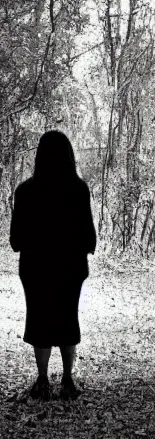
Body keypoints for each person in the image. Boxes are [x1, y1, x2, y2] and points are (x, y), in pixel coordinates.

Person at [9, 130, 97, 400]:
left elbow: (15, 241)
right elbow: (88, 236)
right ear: (69, 156)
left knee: (39, 319)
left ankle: (43, 380)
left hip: (35, 268)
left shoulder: (25, 191)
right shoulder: (79, 189)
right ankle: (68, 381)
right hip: (70, 267)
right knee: (68, 318)